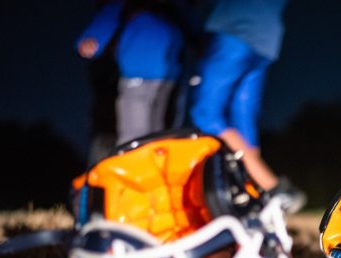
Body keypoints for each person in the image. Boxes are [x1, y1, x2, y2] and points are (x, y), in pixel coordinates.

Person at [189, 0, 305, 212]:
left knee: (204, 113)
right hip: (266, 36)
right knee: (242, 119)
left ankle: (274, 189)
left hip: (237, 27)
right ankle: (253, 194)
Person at [77, 0, 185, 149]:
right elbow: (106, 21)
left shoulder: (168, 10)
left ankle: (146, 164)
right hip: (153, 75)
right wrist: (92, 38)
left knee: (146, 133)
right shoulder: (129, 7)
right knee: (143, 132)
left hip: (156, 76)